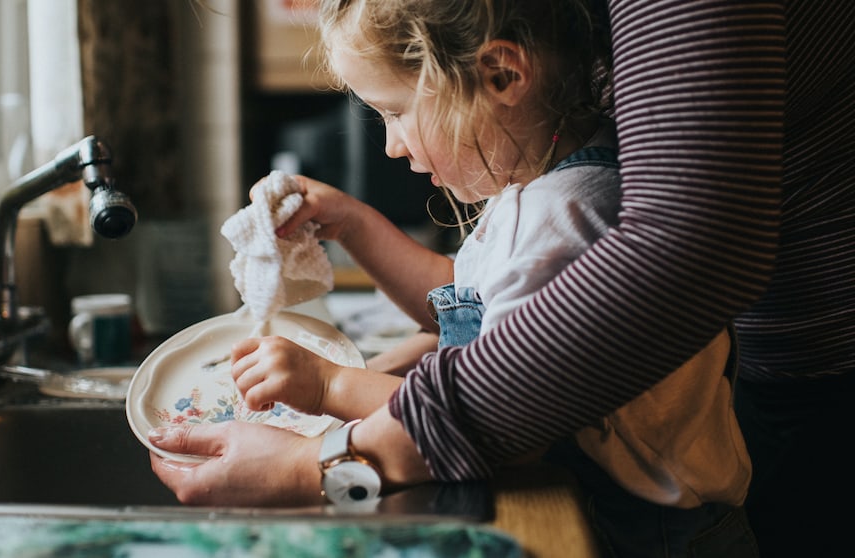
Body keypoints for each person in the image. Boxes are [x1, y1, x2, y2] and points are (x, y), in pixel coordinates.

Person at [151, 1, 854, 556]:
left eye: (395, 112)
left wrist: (331, 395)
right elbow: (465, 300)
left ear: (501, 75)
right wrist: (361, 229)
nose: (391, 144)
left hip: (656, 533)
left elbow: (517, 433)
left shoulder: (560, 216)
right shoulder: (545, 190)